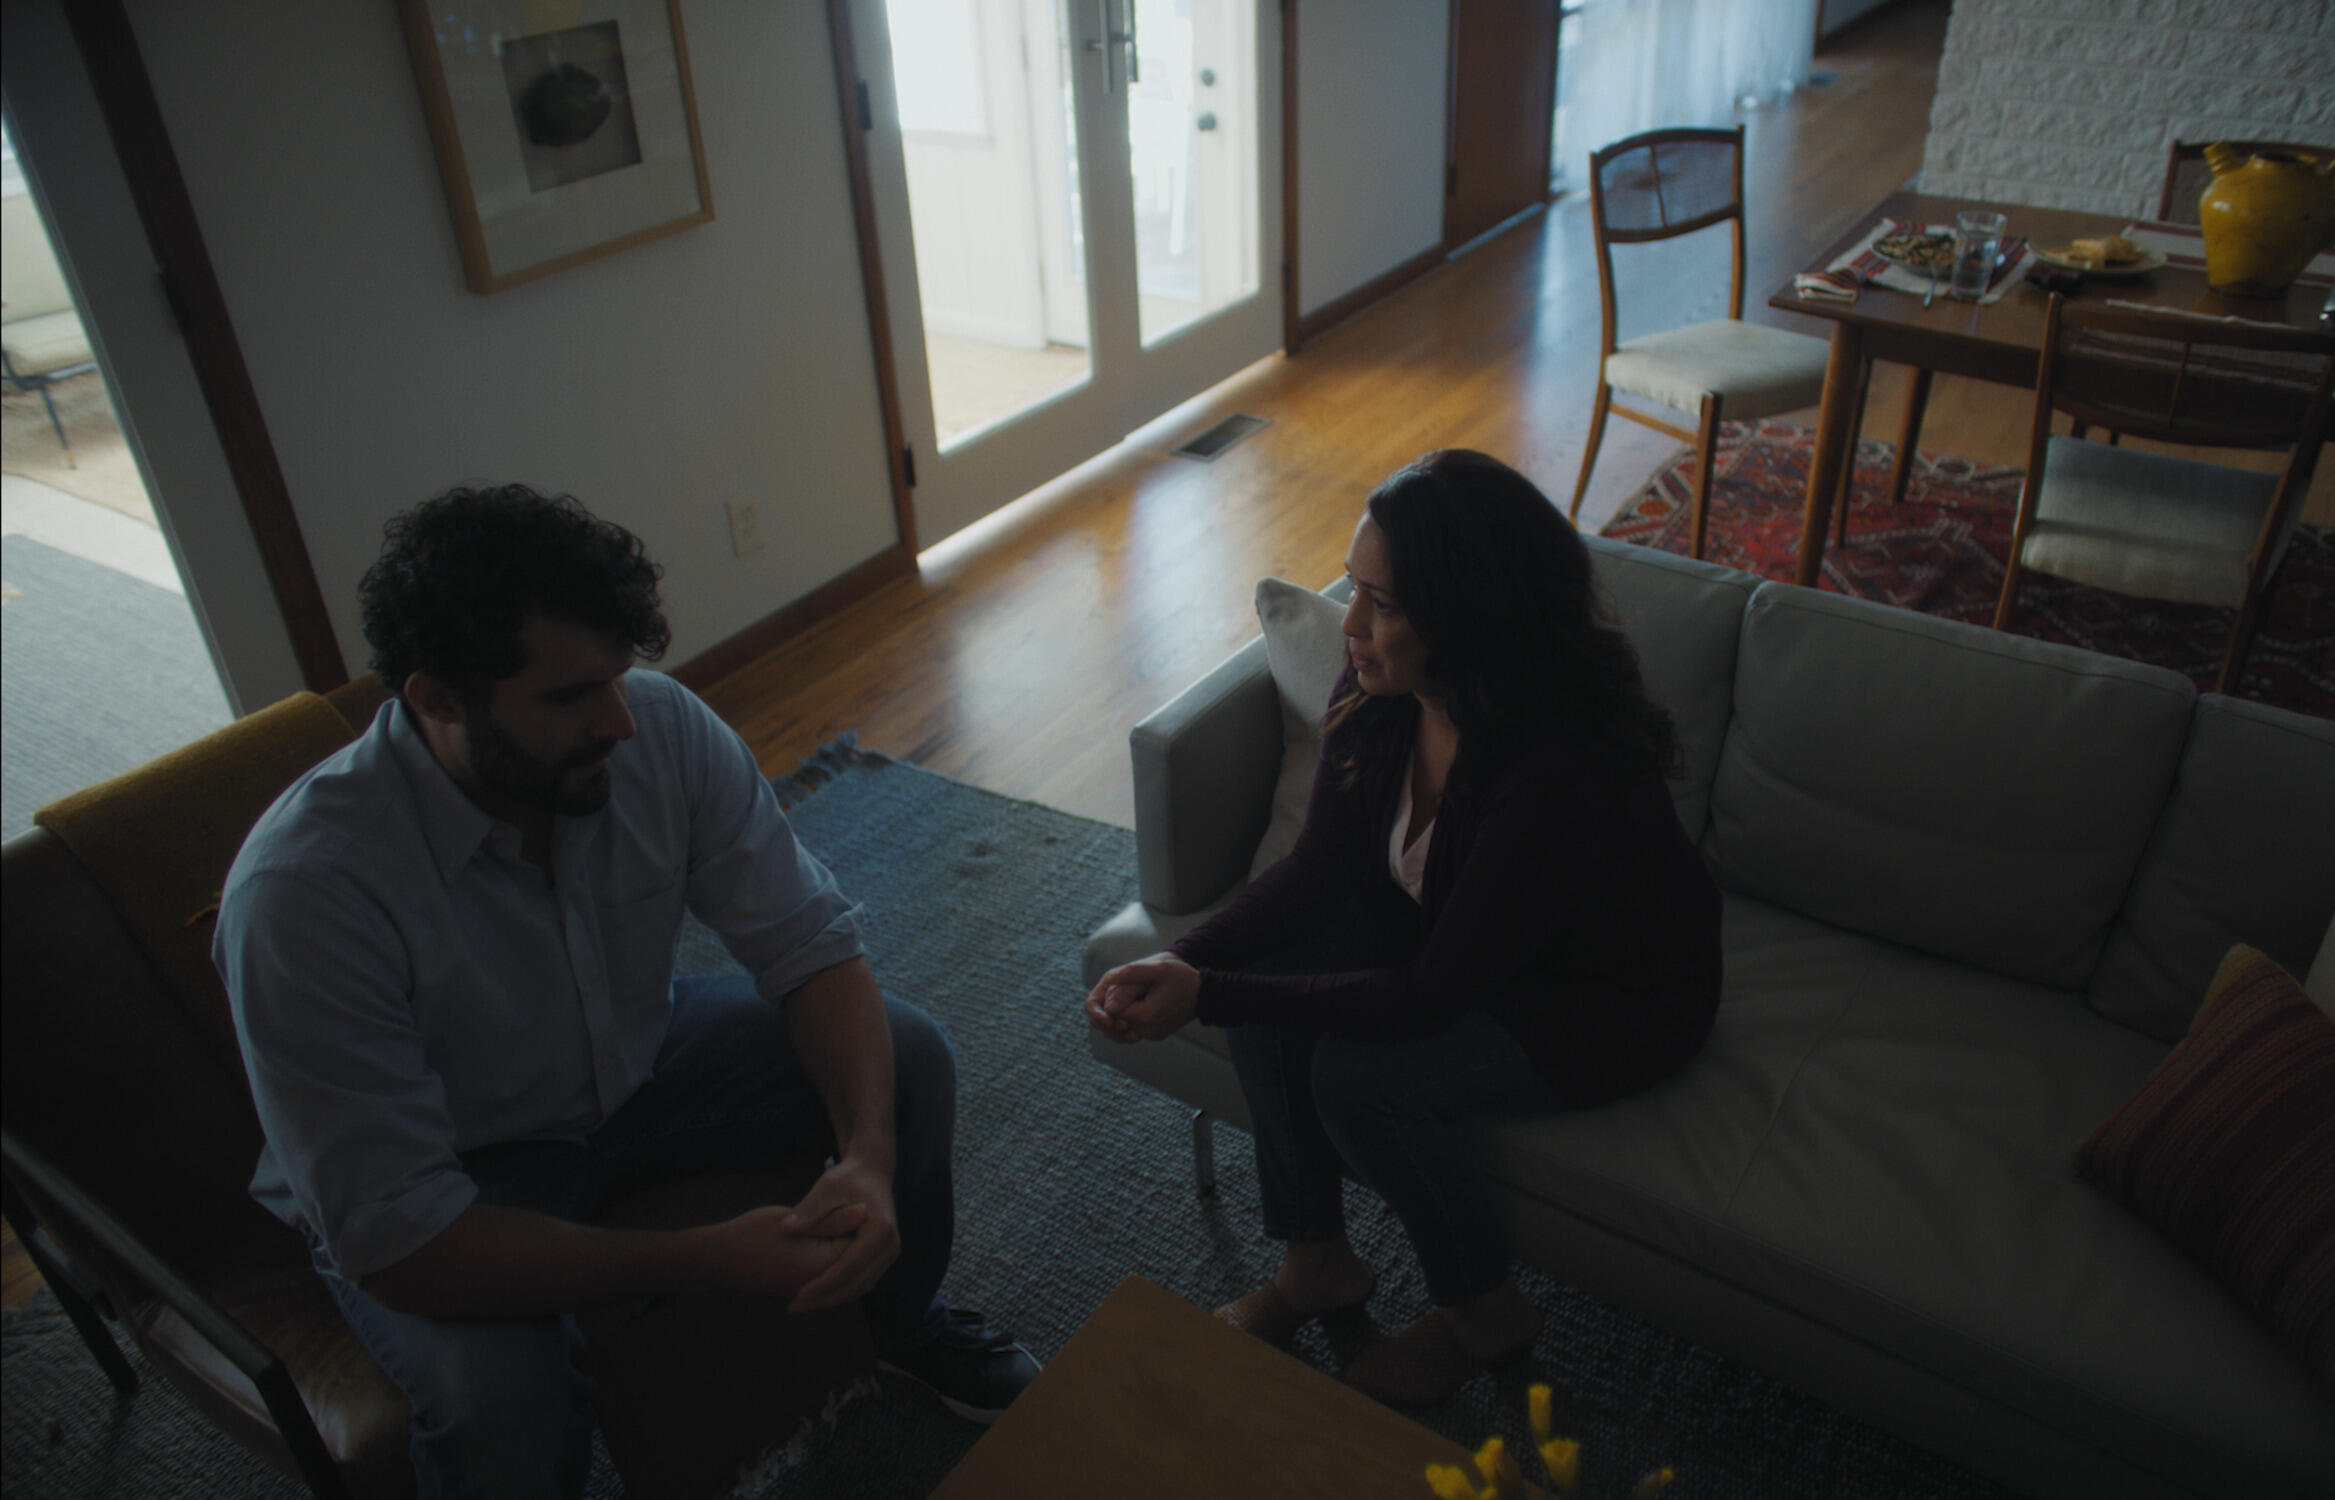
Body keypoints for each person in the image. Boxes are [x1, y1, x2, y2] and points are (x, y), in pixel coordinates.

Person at [215, 485, 1038, 1498]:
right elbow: (400, 1240)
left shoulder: (657, 727)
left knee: (909, 1062)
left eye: (618, 675)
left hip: (637, 1062)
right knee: (501, 1410)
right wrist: (702, 1257)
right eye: (567, 697)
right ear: (436, 699)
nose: (618, 720)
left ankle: (895, 1322)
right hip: (456, 1169)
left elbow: (810, 946)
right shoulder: (304, 895)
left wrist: (865, 1155)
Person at [1084, 449, 1721, 1406]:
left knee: (1361, 1078)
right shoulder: (1383, 699)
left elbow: (1434, 995)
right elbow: (1317, 871)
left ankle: (1483, 1313)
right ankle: (1317, 1265)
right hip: (1467, 942)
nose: (1349, 627)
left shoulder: (1556, 771)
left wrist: (1207, 993)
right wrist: (1189, 955)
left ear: (1470, 618)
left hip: (1604, 998)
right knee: (1266, 983)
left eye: (1381, 604)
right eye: (1355, 592)